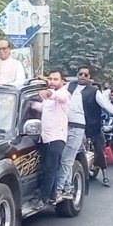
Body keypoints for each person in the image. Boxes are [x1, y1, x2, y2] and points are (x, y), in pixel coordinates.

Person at [59, 66, 113, 191]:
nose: (82, 76)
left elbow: (106, 105)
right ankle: (65, 183)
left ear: (89, 77)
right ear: (77, 75)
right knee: (61, 155)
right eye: (80, 74)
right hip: (64, 125)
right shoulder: (68, 87)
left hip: (89, 126)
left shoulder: (94, 91)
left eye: (85, 75)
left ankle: (104, 176)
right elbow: (55, 93)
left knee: (98, 149)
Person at [30, 70, 71, 208]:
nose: (53, 82)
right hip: (45, 137)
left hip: (57, 137)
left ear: (62, 81)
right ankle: (52, 195)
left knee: (50, 168)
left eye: (56, 79)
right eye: (50, 79)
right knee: (45, 168)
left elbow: (59, 97)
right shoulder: (48, 98)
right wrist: (29, 104)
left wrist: (48, 92)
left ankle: (43, 199)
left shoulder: (64, 93)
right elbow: (41, 108)